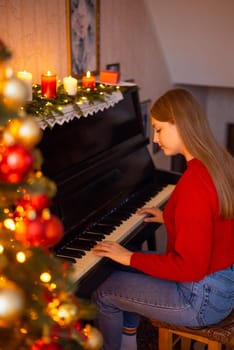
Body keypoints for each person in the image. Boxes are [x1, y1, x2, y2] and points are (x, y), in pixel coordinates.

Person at [91, 88, 234, 350]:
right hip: (222, 283)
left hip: (200, 300)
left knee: (104, 291)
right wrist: (170, 217)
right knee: (120, 266)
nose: (155, 139)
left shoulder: (195, 185)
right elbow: (210, 224)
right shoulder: (215, 162)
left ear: (179, 124)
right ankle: (130, 339)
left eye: (158, 129)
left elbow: (190, 268)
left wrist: (129, 257)